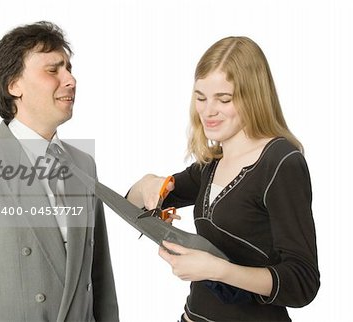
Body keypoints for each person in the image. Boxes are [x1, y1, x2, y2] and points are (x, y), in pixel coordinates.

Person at [0, 21, 119, 321]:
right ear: (13, 85)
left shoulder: (83, 164)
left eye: (68, 68)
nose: (70, 79)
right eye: (53, 70)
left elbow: (100, 280)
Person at [127, 36, 319, 321]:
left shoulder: (281, 163)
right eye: (200, 97)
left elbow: (302, 282)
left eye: (224, 99)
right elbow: (134, 203)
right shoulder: (210, 164)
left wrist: (217, 270)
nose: (208, 111)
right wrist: (147, 183)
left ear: (254, 96)